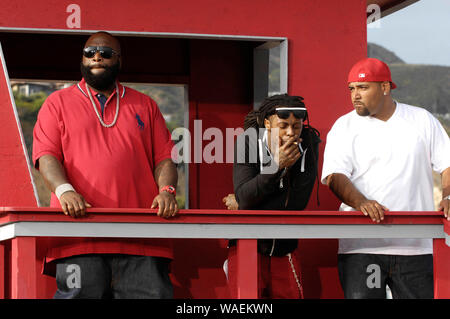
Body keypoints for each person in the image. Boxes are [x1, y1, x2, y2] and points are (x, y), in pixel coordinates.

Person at [32, 31, 179, 299]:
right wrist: (64, 191)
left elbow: (164, 159)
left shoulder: (146, 105)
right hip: (78, 238)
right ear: (82, 59)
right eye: (89, 52)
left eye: (106, 52)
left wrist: (167, 190)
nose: (97, 56)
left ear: (119, 60)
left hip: (141, 240)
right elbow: (46, 156)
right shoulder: (56, 103)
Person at [321, 57, 450, 299]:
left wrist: (448, 195)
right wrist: (361, 203)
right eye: (351, 89)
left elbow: (448, 164)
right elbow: (334, 176)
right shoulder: (344, 126)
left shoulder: (421, 120)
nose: (355, 95)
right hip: (361, 247)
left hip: (416, 247)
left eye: (363, 87)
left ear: (385, 87)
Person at [224, 94, 321, 298]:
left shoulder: (309, 143)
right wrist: (276, 167)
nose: (290, 133)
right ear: (267, 123)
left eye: (296, 126)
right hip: (246, 244)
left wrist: (245, 201)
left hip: (284, 246)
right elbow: (246, 196)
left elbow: (297, 204)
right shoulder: (248, 140)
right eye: (283, 125)